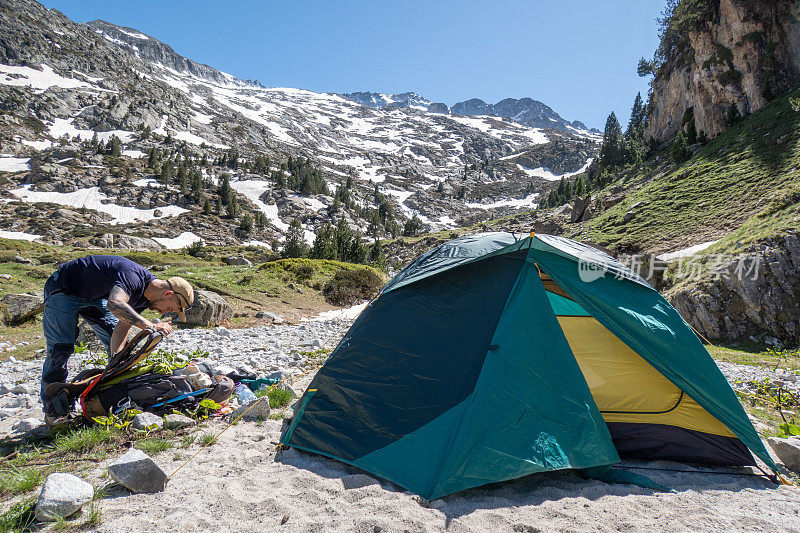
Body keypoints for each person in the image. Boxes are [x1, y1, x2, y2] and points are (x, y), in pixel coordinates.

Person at [40, 255, 194, 422]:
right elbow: (114, 304)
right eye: (169, 308)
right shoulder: (132, 277)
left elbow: (121, 327)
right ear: (168, 293)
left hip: (94, 297)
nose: (164, 313)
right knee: (61, 349)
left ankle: (110, 393)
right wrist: (150, 325)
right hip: (63, 289)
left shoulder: (144, 299)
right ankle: (53, 410)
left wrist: (117, 359)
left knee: (123, 351)